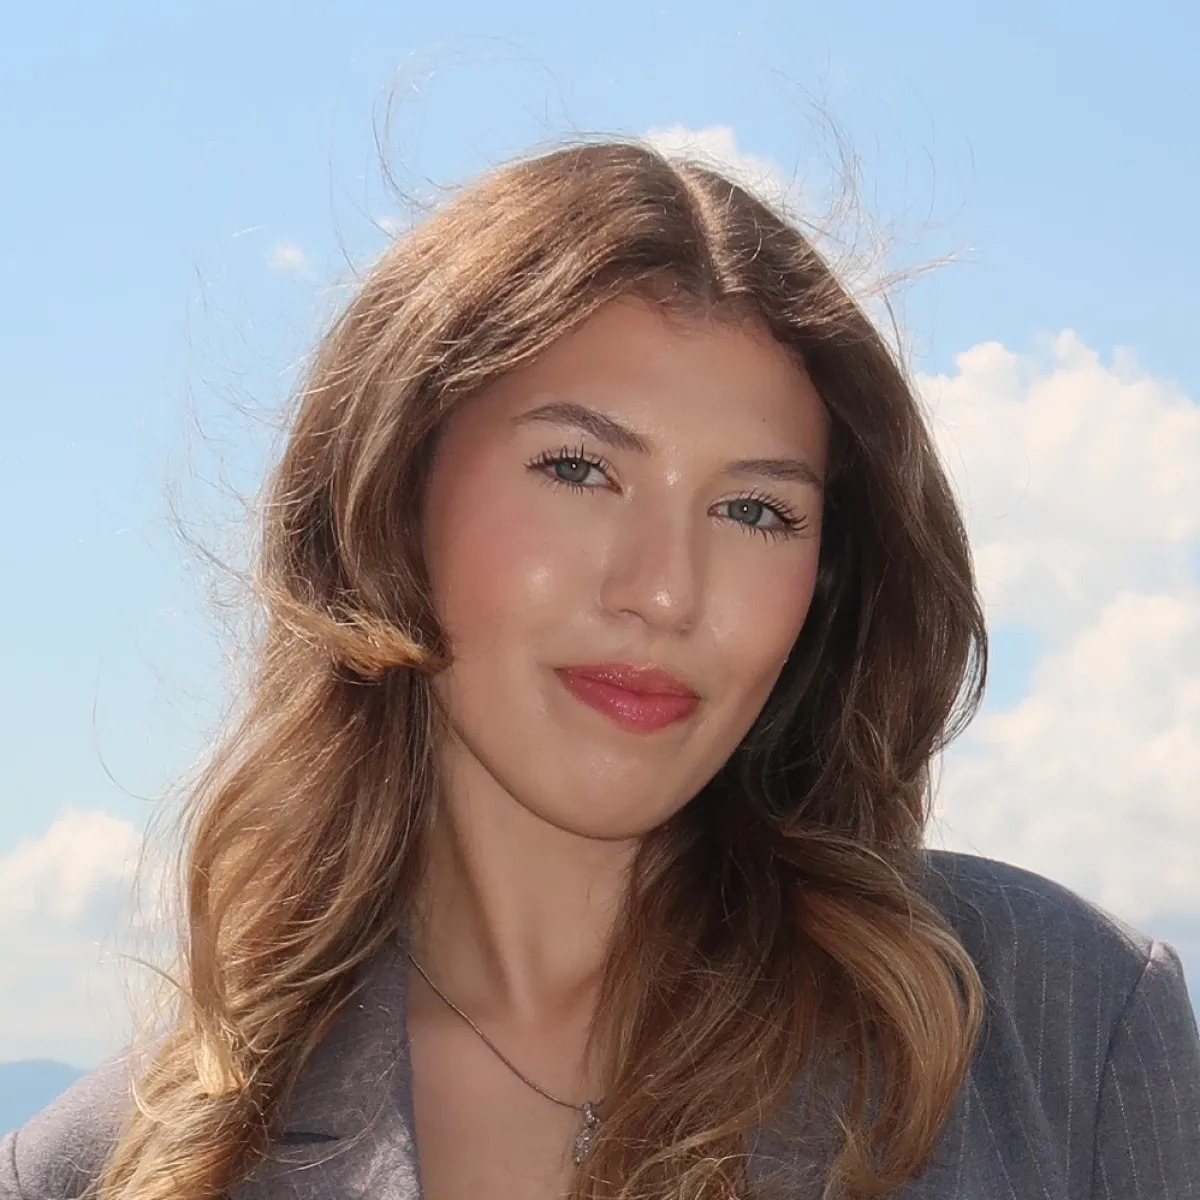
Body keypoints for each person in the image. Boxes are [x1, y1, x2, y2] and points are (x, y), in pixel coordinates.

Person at [3, 138, 1198, 1200]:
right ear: (390, 492)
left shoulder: (1061, 1031)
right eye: (580, 470)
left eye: (755, 510)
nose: (666, 591)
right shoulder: (101, 1169)